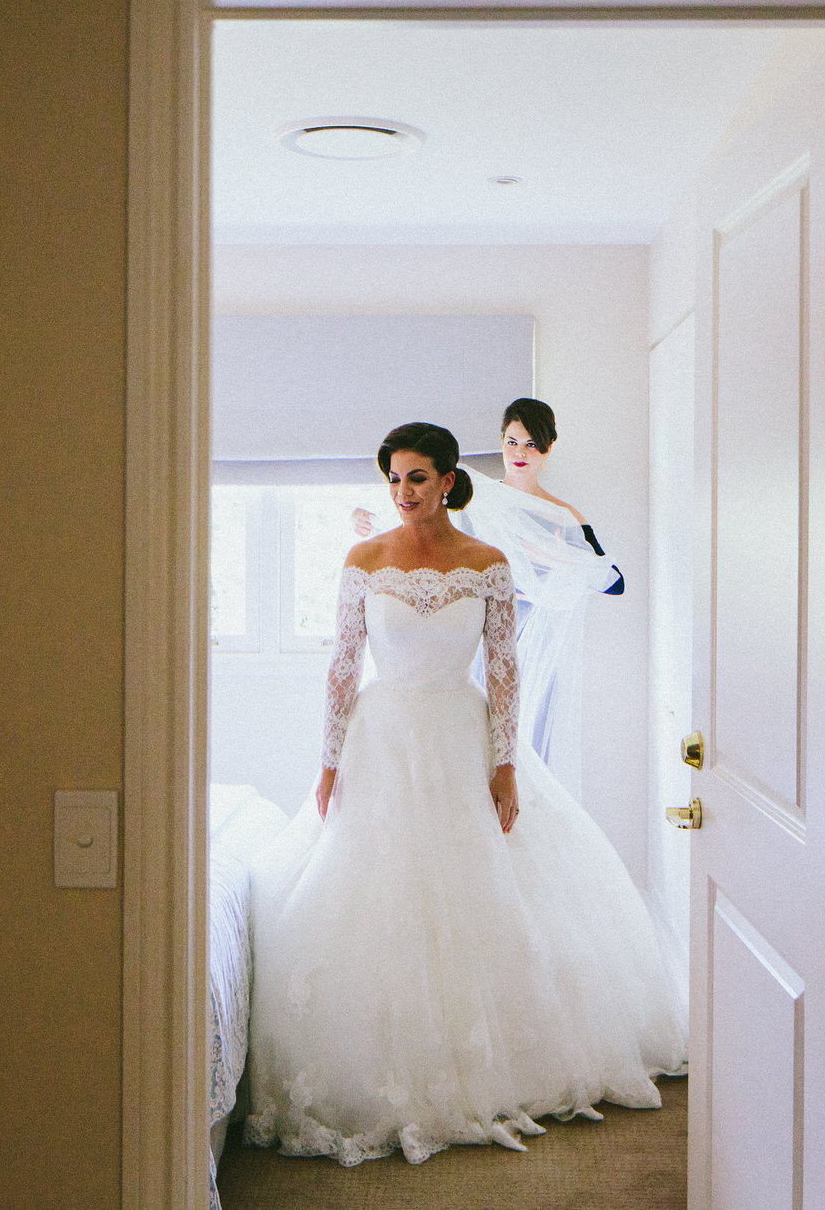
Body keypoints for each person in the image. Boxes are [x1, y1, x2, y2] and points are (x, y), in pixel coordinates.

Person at [244, 422, 685, 1168]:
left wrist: (506, 764)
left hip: (461, 732)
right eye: (393, 479)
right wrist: (326, 765)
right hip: (381, 739)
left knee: (487, 891)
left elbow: (505, 669)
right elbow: (343, 667)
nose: (403, 492)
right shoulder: (363, 558)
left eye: (417, 478)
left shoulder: (487, 562)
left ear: (448, 480)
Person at [353, 397, 621, 774]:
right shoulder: (475, 500)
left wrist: (552, 558)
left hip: (533, 645)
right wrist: (367, 519)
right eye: (512, 442)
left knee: (524, 756)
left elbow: (613, 582)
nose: (520, 453)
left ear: (548, 447)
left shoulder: (563, 517)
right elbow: (424, 535)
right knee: (467, 751)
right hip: (475, 638)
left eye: (531, 443)